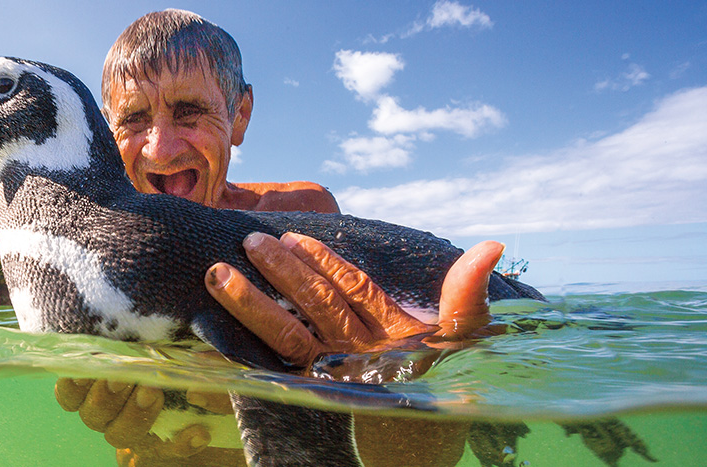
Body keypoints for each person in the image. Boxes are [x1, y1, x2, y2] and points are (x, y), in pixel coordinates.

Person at [54, 9, 502, 466]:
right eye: (133, 119)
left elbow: (372, 400)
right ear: (109, 132)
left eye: (190, 112)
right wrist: (139, 439)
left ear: (240, 114)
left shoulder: (304, 216)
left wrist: (395, 371)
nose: (160, 148)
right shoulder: (93, 256)